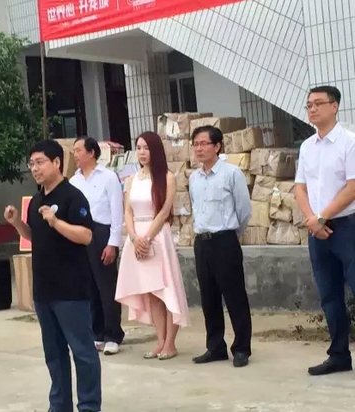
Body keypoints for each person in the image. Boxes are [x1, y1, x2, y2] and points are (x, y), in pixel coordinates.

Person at [4, 139, 102, 412]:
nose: (34, 168)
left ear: (57, 162)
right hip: (44, 290)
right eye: (31, 164)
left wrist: (56, 222)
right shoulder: (37, 200)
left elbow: (86, 235)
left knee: (82, 352)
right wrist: (17, 223)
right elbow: (34, 236)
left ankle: (89, 405)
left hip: (71, 290)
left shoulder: (73, 197)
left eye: (40, 162)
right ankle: (59, 405)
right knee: (54, 353)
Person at [295, 85, 355, 376]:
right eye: (309, 105)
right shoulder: (307, 147)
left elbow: (353, 187)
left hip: (347, 227)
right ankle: (339, 355)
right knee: (329, 295)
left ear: (335, 106)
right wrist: (312, 219)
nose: (312, 109)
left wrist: (323, 216)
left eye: (318, 103)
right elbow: (300, 187)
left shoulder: (349, 142)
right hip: (316, 231)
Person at [115, 131, 190, 360]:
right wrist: (133, 237)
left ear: (155, 150)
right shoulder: (131, 179)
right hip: (136, 237)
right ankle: (160, 341)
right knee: (151, 293)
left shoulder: (167, 177)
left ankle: (170, 343)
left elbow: (164, 212)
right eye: (138, 147)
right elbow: (127, 211)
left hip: (157, 236)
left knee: (166, 288)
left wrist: (147, 238)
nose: (142, 152)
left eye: (146, 148)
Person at [188, 126, 252, 368]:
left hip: (225, 240)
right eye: (195, 144)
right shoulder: (194, 178)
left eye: (204, 143)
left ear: (217, 146)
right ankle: (215, 347)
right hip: (202, 242)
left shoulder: (231, 174)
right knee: (208, 297)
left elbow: (244, 210)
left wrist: (231, 234)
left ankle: (242, 348)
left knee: (234, 296)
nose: (199, 148)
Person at [70, 137, 125, 356]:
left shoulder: (108, 177)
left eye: (78, 150)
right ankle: (97, 333)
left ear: (91, 152)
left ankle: (113, 334)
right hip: (82, 234)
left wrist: (113, 243)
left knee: (106, 287)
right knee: (89, 287)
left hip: (103, 233)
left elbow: (117, 213)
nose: (75, 154)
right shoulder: (74, 181)